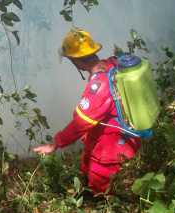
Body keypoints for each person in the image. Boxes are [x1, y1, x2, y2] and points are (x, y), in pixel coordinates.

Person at [33, 28, 140, 193]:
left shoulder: (100, 86)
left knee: (101, 188)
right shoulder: (112, 64)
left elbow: (81, 123)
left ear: (76, 61)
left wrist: (55, 143)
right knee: (87, 169)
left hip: (111, 148)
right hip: (124, 137)